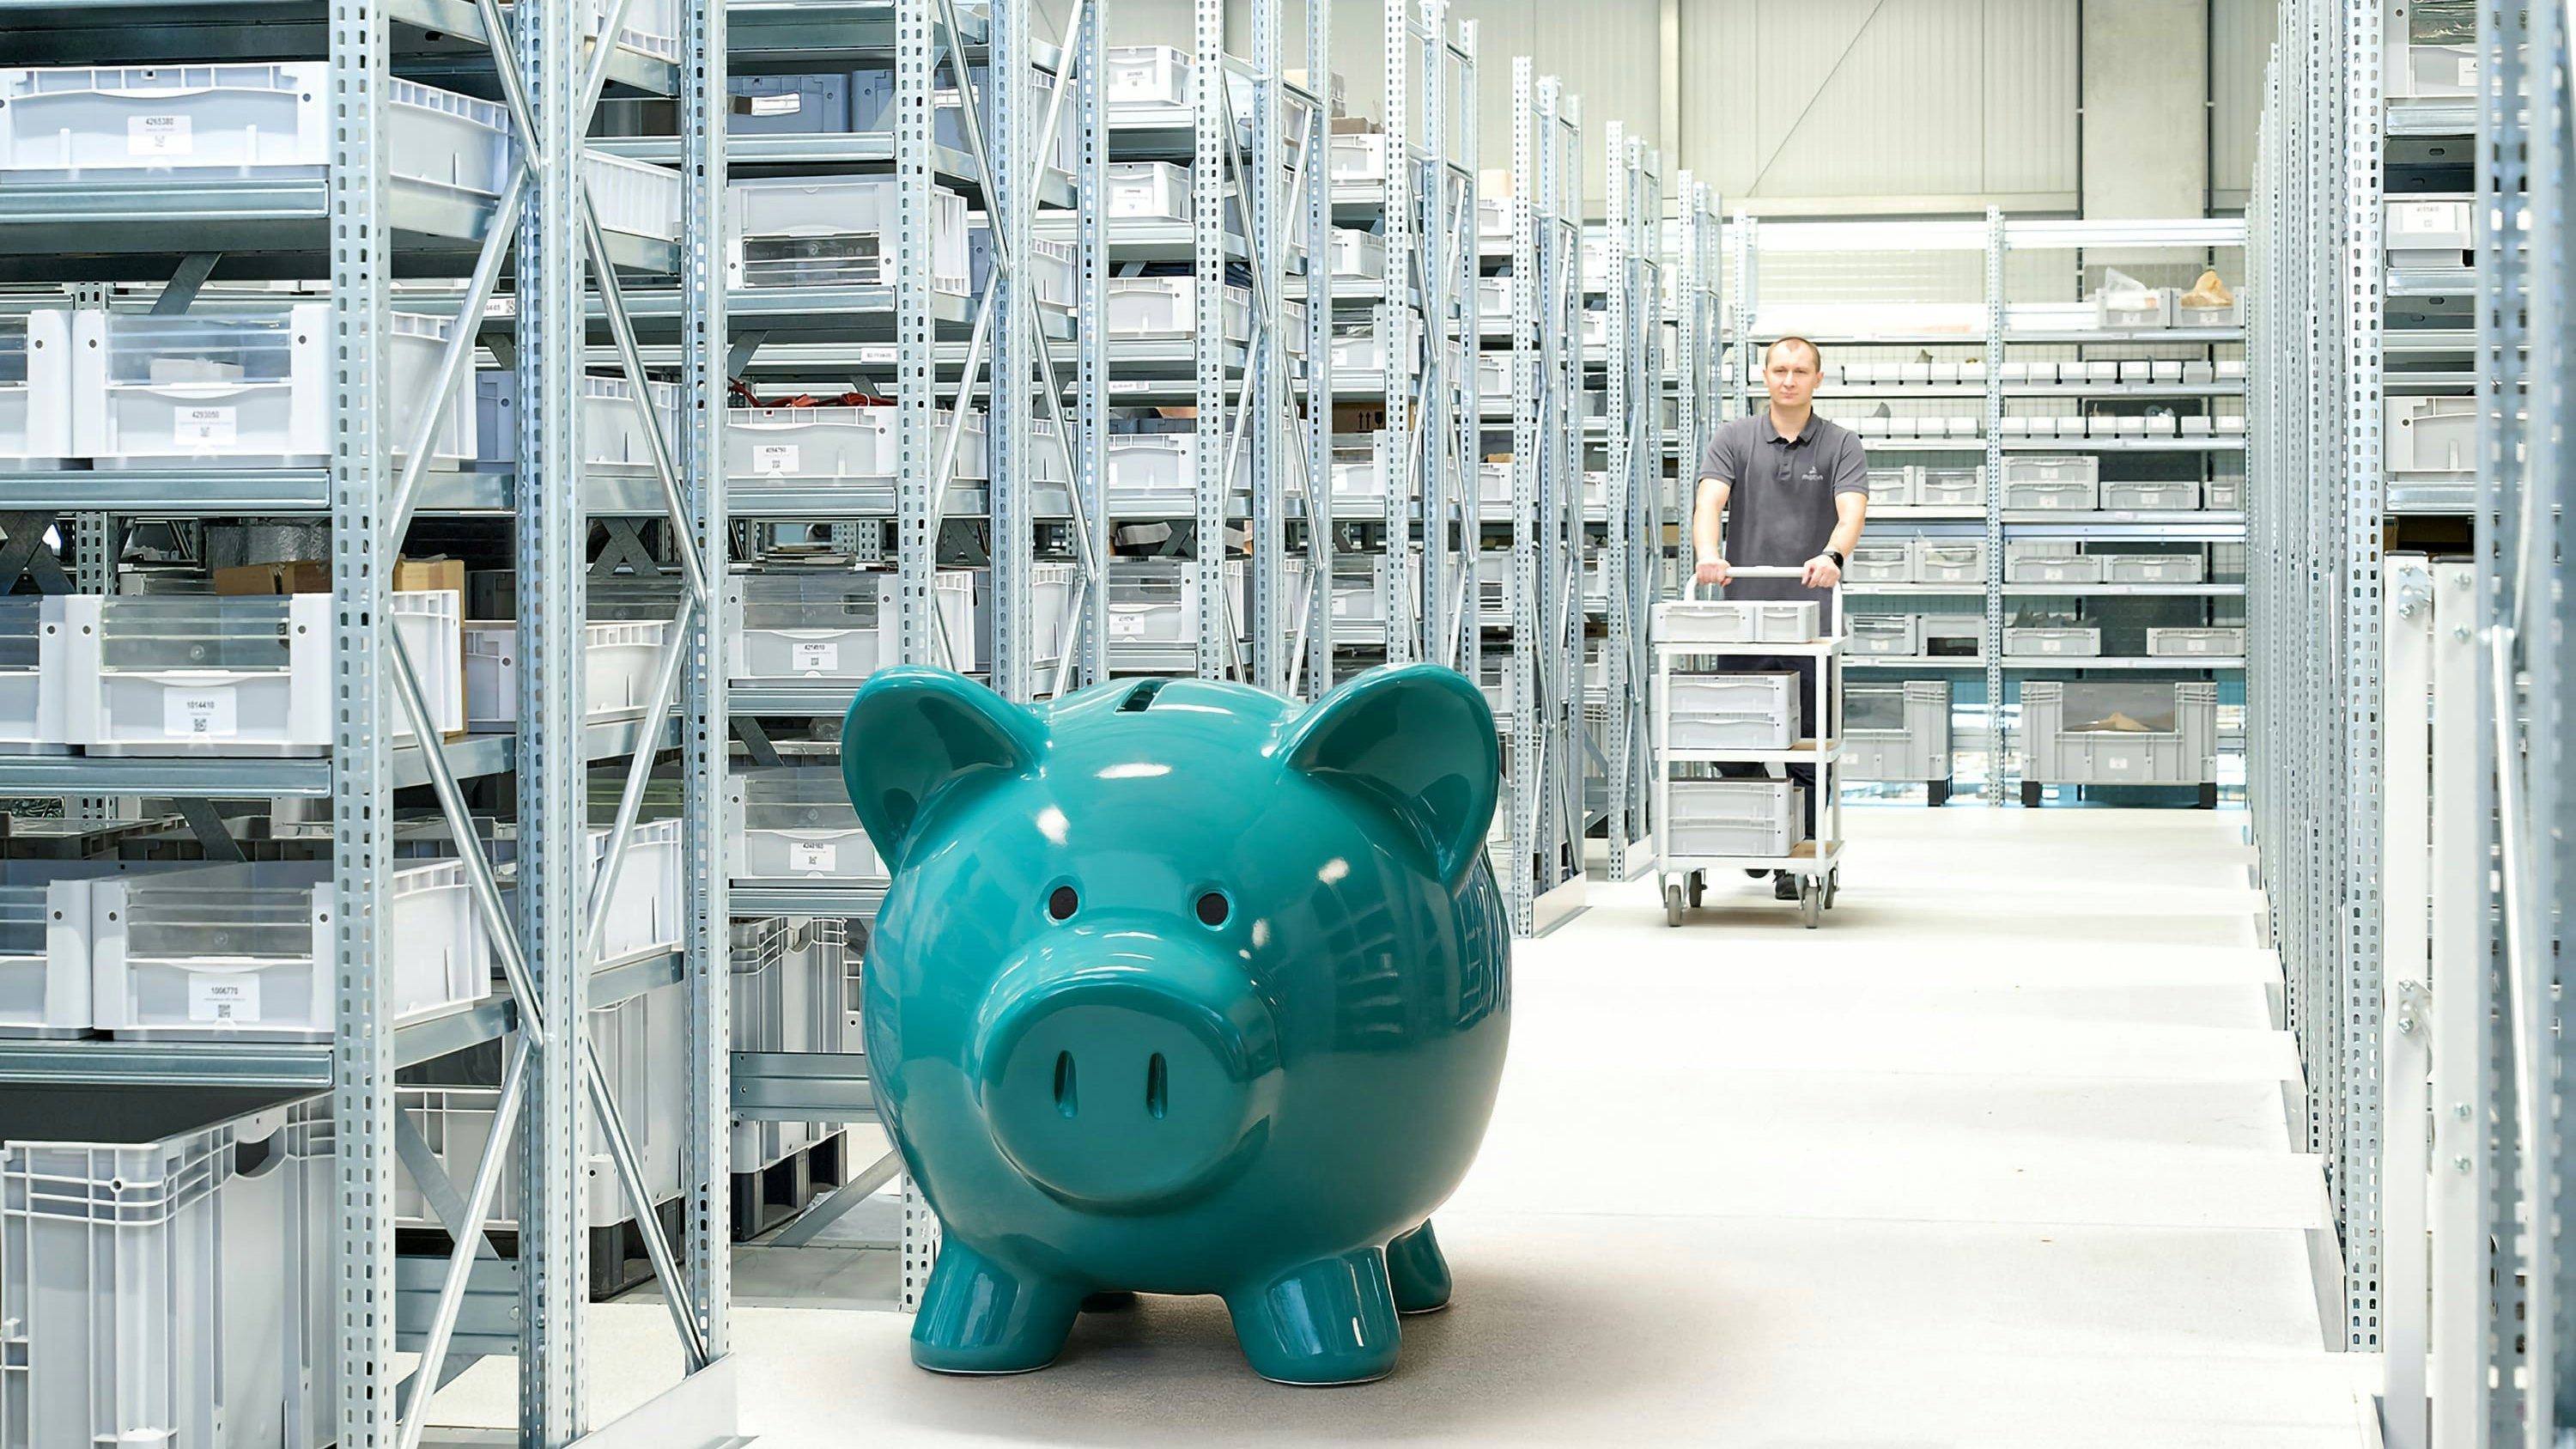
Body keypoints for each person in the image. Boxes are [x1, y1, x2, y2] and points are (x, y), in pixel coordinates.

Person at [1691, 335, 1869, 899]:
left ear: (1818, 378)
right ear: (1763, 376)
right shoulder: (1734, 438)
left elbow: (1852, 512)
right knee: (1729, 739)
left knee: (1811, 746)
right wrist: (1707, 553)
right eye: (1779, 369)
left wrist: (1832, 556)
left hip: (1812, 621)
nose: (1788, 379)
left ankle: (1802, 857)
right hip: (1743, 617)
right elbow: (1709, 502)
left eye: (1800, 370)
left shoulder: (1841, 444)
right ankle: (1762, 825)